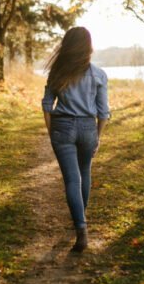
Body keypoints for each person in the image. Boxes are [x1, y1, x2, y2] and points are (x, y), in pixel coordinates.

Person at [41, 26, 110, 253]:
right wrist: (97, 137)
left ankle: (81, 227)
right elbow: (103, 112)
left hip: (62, 126)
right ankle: (81, 221)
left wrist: (52, 131)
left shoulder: (57, 73)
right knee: (85, 173)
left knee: (72, 180)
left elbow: (46, 105)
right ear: (88, 47)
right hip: (88, 128)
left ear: (67, 46)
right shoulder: (99, 74)